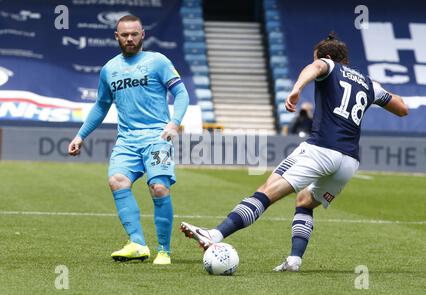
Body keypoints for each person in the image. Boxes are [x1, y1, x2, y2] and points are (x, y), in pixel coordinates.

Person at [180, 32, 408, 272]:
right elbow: (402, 108)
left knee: (266, 192)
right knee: (305, 202)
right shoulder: (369, 83)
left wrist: (297, 88)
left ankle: (214, 235)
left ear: (329, 57)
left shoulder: (327, 64)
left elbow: (317, 66)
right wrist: (378, 95)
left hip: (320, 149)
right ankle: (294, 261)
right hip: (349, 162)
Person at [68, 15, 189, 265]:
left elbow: (181, 93)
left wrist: (174, 122)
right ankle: (137, 244)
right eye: (125, 35)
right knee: (117, 181)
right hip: (127, 141)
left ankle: (164, 251)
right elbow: (101, 106)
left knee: (159, 188)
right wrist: (80, 136)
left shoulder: (158, 61)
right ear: (117, 36)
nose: (130, 39)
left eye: (134, 34)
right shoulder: (109, 69)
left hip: (158, 138)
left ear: (142, 34)